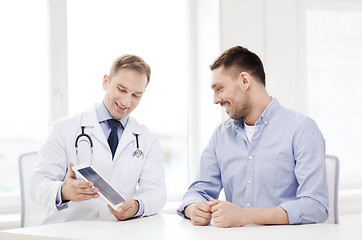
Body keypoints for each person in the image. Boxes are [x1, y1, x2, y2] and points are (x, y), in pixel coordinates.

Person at [177, 46, 328, 227]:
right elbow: (198, 190)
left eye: (219, 88)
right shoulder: (221, 135)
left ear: (244, 80)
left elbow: (315, 206)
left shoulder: (302, 129)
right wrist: (194, 208)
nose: (215, 100)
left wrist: (245, 216)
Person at [30, 54, 166, 224]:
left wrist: (138, 206)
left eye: (136, 95)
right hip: (68, 231)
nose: (126, 101)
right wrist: (63, 191)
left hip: (117, 232)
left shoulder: (148, 138)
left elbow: (156, 191)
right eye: (121, 89)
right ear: (105, 82)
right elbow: (37, 184)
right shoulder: (64, 128)